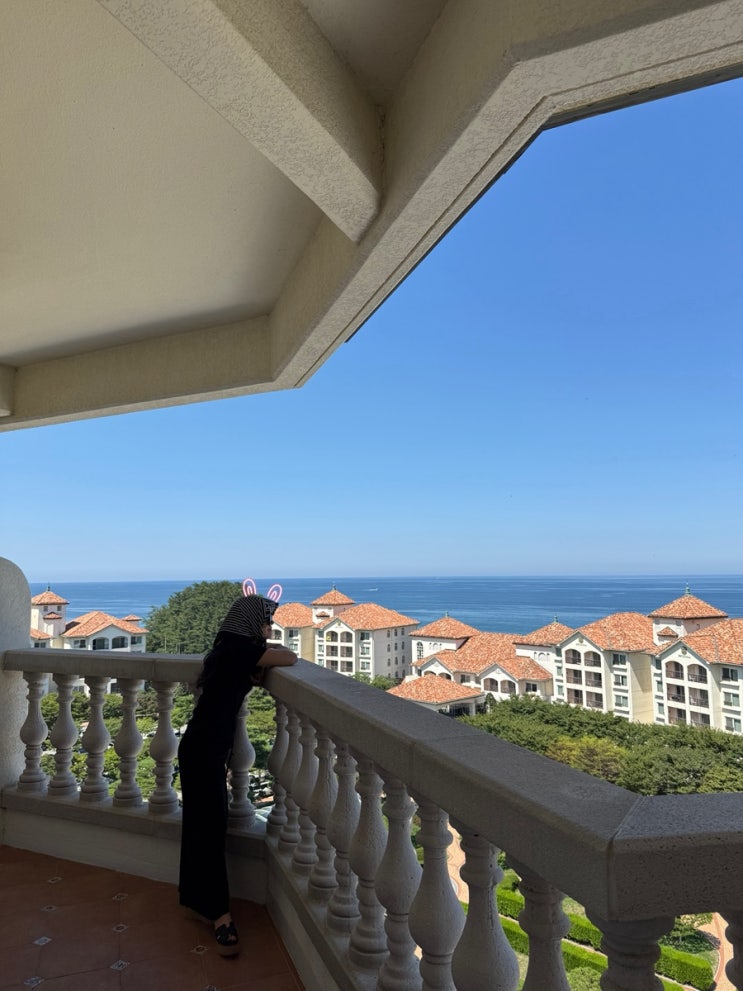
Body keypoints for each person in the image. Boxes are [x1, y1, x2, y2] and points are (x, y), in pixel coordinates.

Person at [178, 592, 298, 956]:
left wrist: (261, 650)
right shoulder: (238, 650)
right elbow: (290, 657)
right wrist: (267, 649)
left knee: (202, 825)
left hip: (204, 746)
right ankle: (219, 914)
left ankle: (196, 900)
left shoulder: (229, 650)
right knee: (210, 826)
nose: (270, 628)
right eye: (266, 621)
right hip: (204, 749)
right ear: (250, 623)